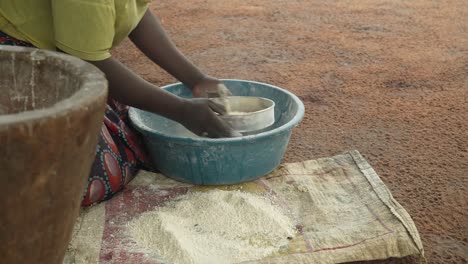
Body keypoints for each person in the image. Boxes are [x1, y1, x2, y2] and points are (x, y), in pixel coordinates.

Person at [0, 0, 240, 206]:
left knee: (136, 133)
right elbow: (88, 61)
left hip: (71, 60)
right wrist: (182, 110)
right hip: (16, 58)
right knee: (87, 175)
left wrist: (196, 79)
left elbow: (133, 11)